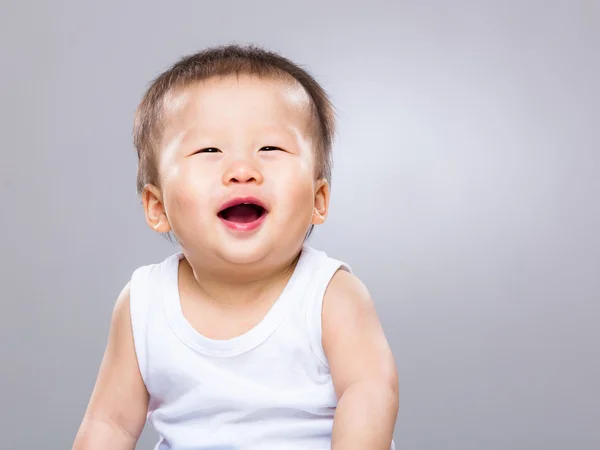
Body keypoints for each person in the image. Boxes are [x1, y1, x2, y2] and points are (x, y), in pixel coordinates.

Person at [73, 44, 398, 450]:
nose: (242, 171)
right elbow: (110, 424)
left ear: (319, 200)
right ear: (158, 208)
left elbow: (369, 391)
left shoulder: (330, 294)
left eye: (270, 149)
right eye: (209, 150)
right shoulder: (144, 303)